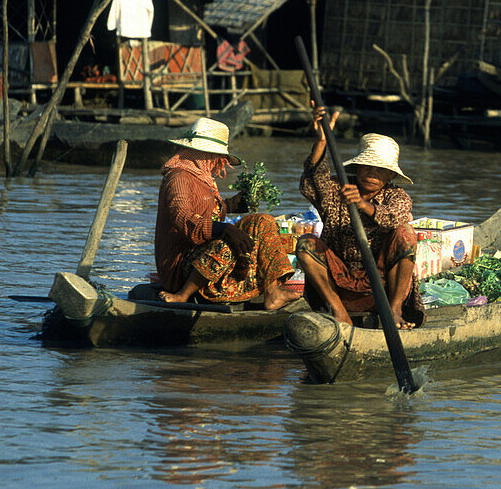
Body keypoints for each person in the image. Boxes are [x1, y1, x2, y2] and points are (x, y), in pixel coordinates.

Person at [295, 105, 424, 329]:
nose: (372, 173)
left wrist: (362, 204)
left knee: (406, 233)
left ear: (391, 174)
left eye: (380, 169)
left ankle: (394, 311)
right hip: (338, 284)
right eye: (368, 167)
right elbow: (311, 183)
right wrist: (322, 141)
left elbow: (392, 218)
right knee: (306, 243)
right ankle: (338, 311)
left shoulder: (398, 197)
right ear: (358, 167)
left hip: (380, 288)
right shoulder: (338, 188)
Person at [154, 116, 299, 310]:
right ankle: (183, 295)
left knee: (262, 221)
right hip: (181, 267)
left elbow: (208, 210)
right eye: (214, 155)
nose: (218, 161)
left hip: (202, 252)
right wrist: (223, 228)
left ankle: (273, 292)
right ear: (200, 153)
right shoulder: (178, 177)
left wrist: (230, 205)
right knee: (225, 243)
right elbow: (182, 218)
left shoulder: (203, 178)